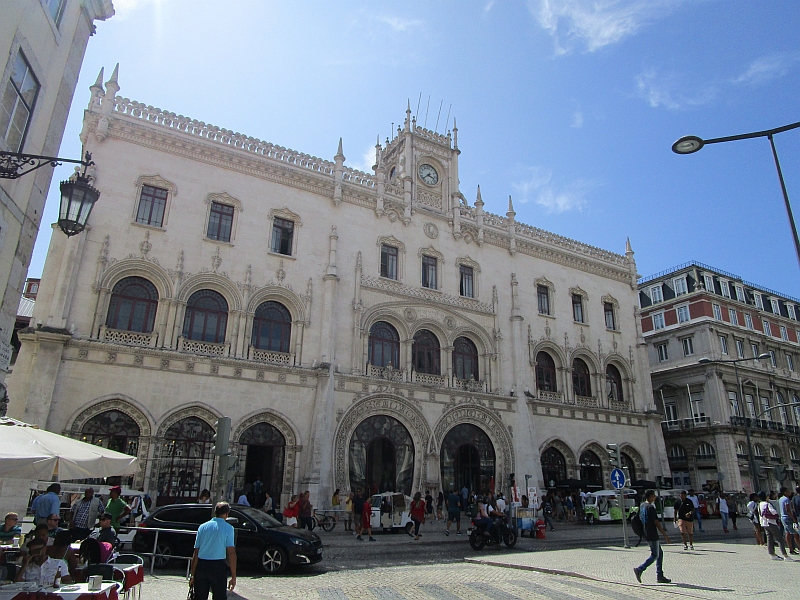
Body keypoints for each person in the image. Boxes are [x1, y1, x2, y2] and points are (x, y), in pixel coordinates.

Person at [190, 501, 236, 600]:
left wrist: (192, 574)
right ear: (227, 514)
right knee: (219, 596)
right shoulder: (229, 529)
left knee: (200, 597)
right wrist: (233, 576)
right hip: (218, 566)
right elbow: (231, 553)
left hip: (201, 565)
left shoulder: (202, 527)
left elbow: (196, 552)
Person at [633, 489, 671, 584]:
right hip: (652, 534)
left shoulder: (642, 506)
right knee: (655, 555)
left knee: (660, 553)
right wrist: (665, 535)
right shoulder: (650, 507)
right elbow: (657, 523)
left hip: (646, 533)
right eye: (654, 495)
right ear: (649, 496)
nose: (655, 497)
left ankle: (660, 575)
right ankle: (639, 569)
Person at [758, 490, 791, 561]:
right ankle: (785, 555)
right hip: (771, 523)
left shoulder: (760, 504)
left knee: (769, 538)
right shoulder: (767, 504)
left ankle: (772, 554)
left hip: (764, 523)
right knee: (780, 539)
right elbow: (773, 512)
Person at [778, 487, 800, 555]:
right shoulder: (786, 499)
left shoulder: (781, 499)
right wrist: (794, 519)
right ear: (785, 492)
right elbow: (788, 510)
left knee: (787, 533)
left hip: (783, 517)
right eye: (788, 491)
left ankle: (791, 549)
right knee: (795, 534)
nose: (789, 492)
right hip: (788, 518)